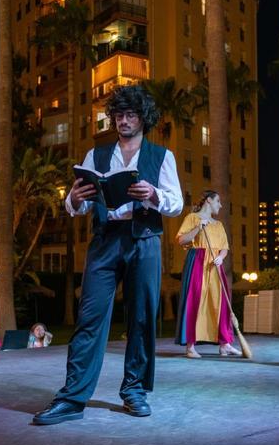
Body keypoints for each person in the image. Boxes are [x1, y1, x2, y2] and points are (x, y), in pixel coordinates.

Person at [33, 84, 183, 425]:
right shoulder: (96, 156)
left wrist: (154, 194)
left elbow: (176, 204)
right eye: (118, 115)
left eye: (130, 115)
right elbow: (78, 205)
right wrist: (73, 196)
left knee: (142, 318)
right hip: (105, 239)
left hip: (144, 238)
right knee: (89, 319)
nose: (123, 121)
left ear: (143, 118)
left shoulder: (162, 156)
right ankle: (72, 398)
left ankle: (134, 391)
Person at [174, 190, 242, 359]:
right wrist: (199, 227)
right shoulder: (192, 218)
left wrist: (220, 257)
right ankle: (190, 346)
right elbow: (181, 240)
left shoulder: (218, 225)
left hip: (214, 266)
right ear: (209, 201)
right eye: (218, 201)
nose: (220, 204)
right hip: (197, 262)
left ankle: (224, 344)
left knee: (220, 303)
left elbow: (224, 247)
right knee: (195, 300)